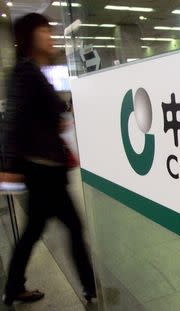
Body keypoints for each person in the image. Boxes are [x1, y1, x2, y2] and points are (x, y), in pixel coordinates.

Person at [1, 13, 96, 306]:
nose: (51, 35)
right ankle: (91, 288)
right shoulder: (25, 73)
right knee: (72, 229)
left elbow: (37, 116)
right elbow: (14, 120)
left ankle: (14, 287)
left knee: (34, 232)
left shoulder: (32, 72)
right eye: (45, 30)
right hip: (43, 173)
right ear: (31, 36)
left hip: (46, 171)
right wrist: (9, 167)